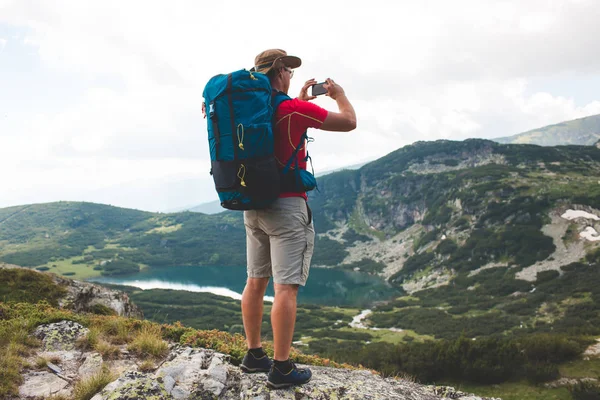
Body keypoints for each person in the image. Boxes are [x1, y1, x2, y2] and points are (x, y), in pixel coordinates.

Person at [239, 49, 357, 389]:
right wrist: (339, 95)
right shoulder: (292, 110)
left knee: (255, 280)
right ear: (279, 71)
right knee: (286, 288)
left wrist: (299, 99)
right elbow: (349, 122)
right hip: (287, 207)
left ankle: (254, 355)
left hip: (252, 205)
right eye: (288, 70)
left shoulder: (253, 110)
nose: (291, 74)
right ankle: (281, 368)